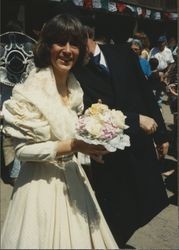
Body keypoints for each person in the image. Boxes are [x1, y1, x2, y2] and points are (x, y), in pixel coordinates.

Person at [1, 14, 119, 249]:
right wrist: (72, 146)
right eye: (60, 42)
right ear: (47, 47)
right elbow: (22, 151)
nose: (67, 50)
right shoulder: (29, 91)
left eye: (74, 43)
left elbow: (75, 135)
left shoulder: (76, 89)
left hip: (75, 180)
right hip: (39, 186)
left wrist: (92, 148)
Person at [73, 25, 169, 248]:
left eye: (78, 42)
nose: (74, 50)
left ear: (90, 35)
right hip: (108, 150)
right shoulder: (75, 70)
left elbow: (146, 94)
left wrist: (162, 135)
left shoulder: (122, 54)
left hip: (140, 144)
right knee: (115, 209)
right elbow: (87, 110)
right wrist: (135, 119)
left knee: (147, 201)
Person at [0, 19, 36, 186]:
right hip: (23, 96)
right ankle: (17, 171)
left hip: (7, 97)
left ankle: (15, 172)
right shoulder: (29, 46)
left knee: (10, 134)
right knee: (20, 133)